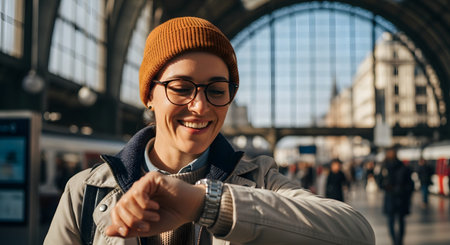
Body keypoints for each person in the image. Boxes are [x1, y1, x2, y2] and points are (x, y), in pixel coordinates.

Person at [44, 17, 375, 245]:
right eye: (181, 87)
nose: (200, 106)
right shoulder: (86, 191)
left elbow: (356, 232)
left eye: (216, 90)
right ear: (148, 95)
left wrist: (207, 205)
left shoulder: (259, 179)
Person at [379, 147, 414, 245]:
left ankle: (398, 241)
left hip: (398, 197)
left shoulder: (398, 167)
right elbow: (380, 182)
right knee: (394, 221)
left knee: (398, 221)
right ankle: (396, 241)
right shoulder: (386, 167)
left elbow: (410, 184)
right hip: (394, 197)